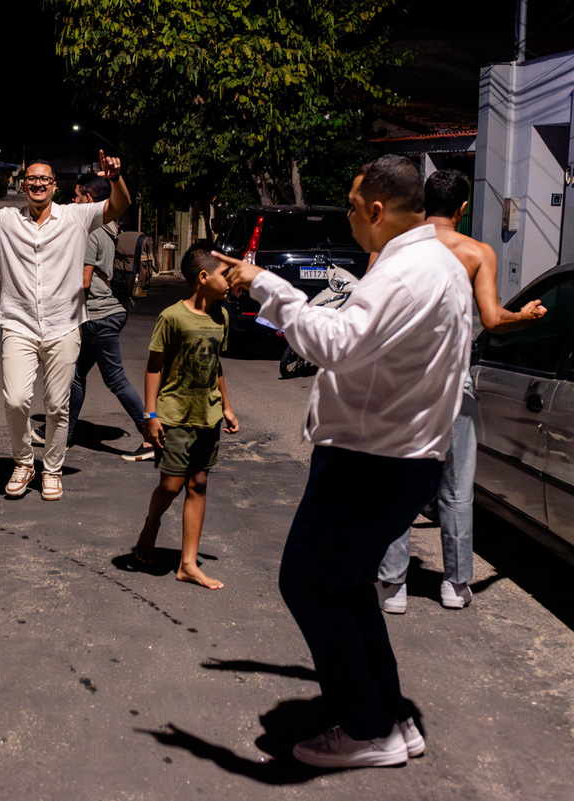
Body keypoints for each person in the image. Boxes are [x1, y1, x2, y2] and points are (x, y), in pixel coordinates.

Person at [221, 155, 472, 769]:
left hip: (372, 459)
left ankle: (367, 729)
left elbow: (335, 344)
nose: (350, 219)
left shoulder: (407, 271)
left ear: (377, 210)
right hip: (396, 456)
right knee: (347, 585)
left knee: (306, 583)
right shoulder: (433, 262)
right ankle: (388, 716)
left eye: (354, 208)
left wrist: (267, 285)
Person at [376, 170, 546, 614]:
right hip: (453, 383)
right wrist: (523, 316)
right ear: (463, 208)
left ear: (424, 202)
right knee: (456, 487)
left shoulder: (395, 246)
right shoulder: (476, 252)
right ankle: (454, 584)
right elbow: (491, 319)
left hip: (401, 384)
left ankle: (393, 587)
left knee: (396, 484)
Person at [0, 148, 130, 500]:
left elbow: (118, 206)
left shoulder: (76, 216)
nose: (38, 184)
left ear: (54, 185)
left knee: (58, 406)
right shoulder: (4, 220)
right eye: (32, 178)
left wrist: (116, 178)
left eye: (45, 179)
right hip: (19, 325)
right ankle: (24, 462)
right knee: (16, 400)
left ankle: (53, 469)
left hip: (64, 325)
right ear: (24, 185)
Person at [131, 242, 239, 588]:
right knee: (171, 485)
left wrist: (226, 406)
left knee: (199, 484)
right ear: (203, 278)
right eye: (225, 275)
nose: (231, 281)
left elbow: (216, 365)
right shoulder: (173, 317)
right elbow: (154, 366)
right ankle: (151, 524)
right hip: (174, 413)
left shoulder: (222, 317)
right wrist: (150, 414)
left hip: (208, 415)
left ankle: (188, 564)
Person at [36, 173, 151, 460]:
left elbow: (84, 281)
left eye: (76, 196)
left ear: (88, 199)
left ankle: (152, 439)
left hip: (100, 315)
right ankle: (65, 436)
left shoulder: (90, 231)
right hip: (104, 313)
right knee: (76, 375)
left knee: (116, 380)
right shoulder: (111, 226)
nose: (73, 201)